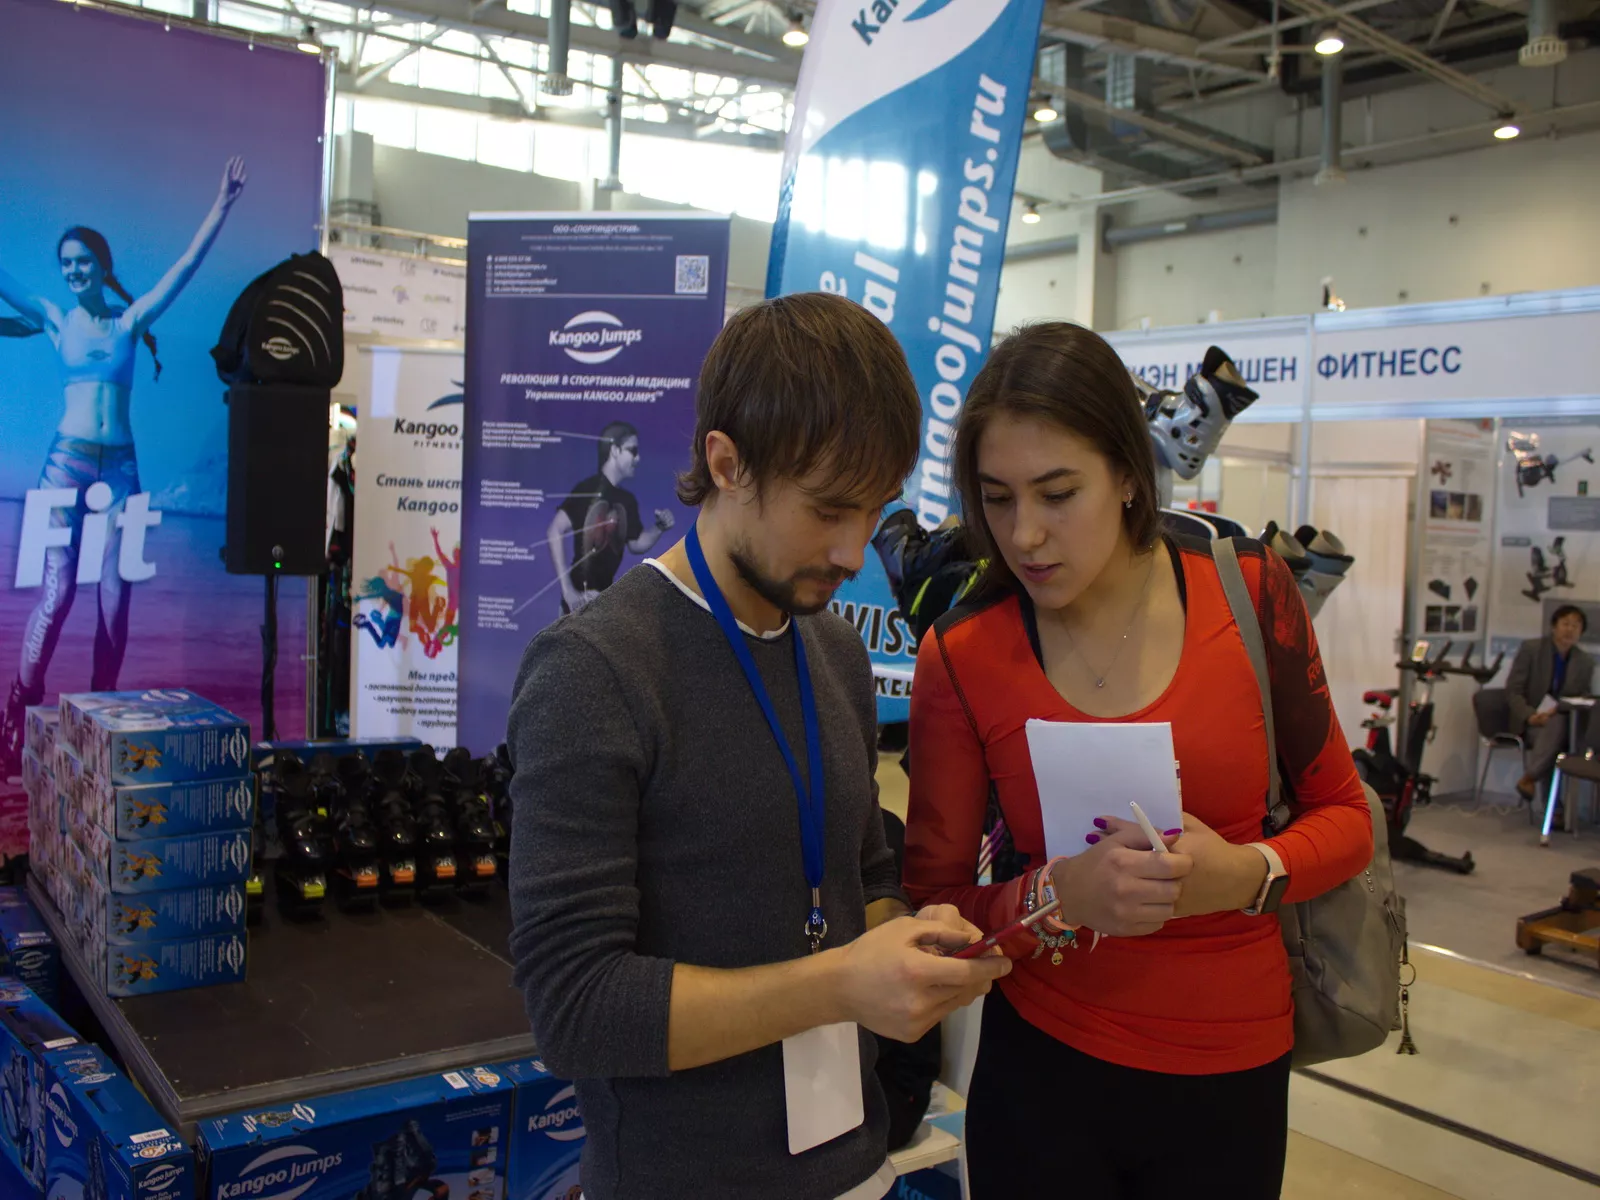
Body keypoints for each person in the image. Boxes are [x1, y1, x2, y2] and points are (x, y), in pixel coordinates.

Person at [506, 293, 1009, 1200]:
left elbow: (862, 873)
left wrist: (907, 945)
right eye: (828, 510)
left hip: (858, 1167)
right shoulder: (595, 671)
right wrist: (839, 984)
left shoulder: (835, 652)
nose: (854, 550)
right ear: (726, 463)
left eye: (876, 511)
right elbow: (575, 1008)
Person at [902, 322, 1373, 1200]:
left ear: (1127, 473)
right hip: (1043, 1072)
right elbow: (934, 905)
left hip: (1232, 1071)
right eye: (997, 499)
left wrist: (1248, 875)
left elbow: (1348, 819)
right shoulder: (962, 654)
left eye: (1058, 494)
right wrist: (1056, 895)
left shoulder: (1249, 591)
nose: (1025, 535)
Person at [0, 158, 248, 772]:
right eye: (66, 264)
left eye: (83, 261)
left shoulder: (130, 321)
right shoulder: (55, 319)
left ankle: (98, 719)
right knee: (58, 595)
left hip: (121, 473)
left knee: (114, 601)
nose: (73, 271)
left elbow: (184, 268)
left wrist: (221, 204)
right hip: (65, 464)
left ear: (102, 265)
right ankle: (18, 711)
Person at [546, 420, 675, 615]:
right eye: (632, 451)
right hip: (576, 605)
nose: (638, 458)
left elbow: (636, 543)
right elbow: (554, 530)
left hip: (604, 601)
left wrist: (659, 528)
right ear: (615, 450)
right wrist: (568, 591)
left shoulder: (627, 500)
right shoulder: (586, 489)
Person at [1507, 605, 1595, 800]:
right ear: (1554, 627)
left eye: (1576, 626)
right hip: (1531, 721)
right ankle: (1553, 807)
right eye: (1565, 624)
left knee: (1559, 725)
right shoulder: (1531, 649)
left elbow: (1584, 697)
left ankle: (1530, 779)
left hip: (1565, 723)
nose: (1570, 630)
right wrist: (1530, 716)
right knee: (1554, 739)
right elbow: (1513, 691)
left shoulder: (1585, 661)